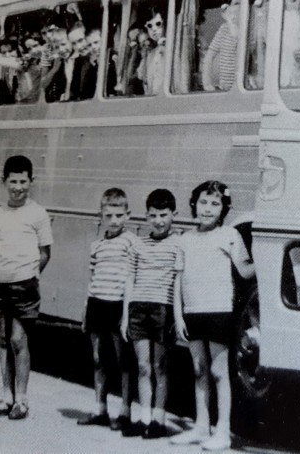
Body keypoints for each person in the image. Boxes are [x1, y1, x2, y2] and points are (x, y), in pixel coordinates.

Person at [171, 181, 255, 451]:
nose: (208, 209)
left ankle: (223, 432)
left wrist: (267, 256)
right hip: (192, 313)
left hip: (219, 312)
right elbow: (178, 280)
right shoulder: (184, 239)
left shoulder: (230, 235)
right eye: (204, 202)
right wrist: (178, 315)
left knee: (219, 372)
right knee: (198, 371)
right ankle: (200, 426)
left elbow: (245, 271)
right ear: (194, 204)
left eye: (215, 204)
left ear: (224, 209)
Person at [0, 155, 53, 421]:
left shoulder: (38, 214)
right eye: (13, 181)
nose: (18, 187)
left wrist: (31, 274)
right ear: (4, 182)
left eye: (23, 181)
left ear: (31, 182)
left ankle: (22, 400)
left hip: (24, 284)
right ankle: (6, 398)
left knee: (17, 340)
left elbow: (45, 252)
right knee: (2, 340)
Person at [120, 188, 184, 439]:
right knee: (143, 366)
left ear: (174, 215)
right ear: (146, 216)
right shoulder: (138, 244)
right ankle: (144, 417)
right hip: (138, 308)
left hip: (163, 309)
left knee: (160, 365)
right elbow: (129, 280)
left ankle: (159, 419)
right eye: (153, 215)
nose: (158, 221)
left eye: (164, 215)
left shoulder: (179, 243)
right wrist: (126, 316)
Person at [78, 188, 136, 431]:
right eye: (109, 215)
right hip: (97, 304)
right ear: (100, 215)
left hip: (118, 305)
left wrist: (127, 312)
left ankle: (124, 412)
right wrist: (85, 309)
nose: (113, 220)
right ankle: (100, 409)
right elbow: (92, 279)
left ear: (127, 215)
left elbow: (132, 278)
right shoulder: (97, 245)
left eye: (119, 215)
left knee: (124, 360)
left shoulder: (131, 242)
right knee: (99, 359)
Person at [201, 0, 241, 92]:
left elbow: (239, 41)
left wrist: (232, 23)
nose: (239, 6)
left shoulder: (249, 27)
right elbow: (209, 56)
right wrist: (207, 83)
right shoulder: (224, 28)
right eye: (236, 3)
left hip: (242, 88)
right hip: (225, 89)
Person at [137, 11, 166, 96]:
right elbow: (141, 75)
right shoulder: (151, 54)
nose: (154, 29)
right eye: (150, 26)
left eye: (158, 24)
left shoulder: (172, 48)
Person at [70, 28, 100, 101]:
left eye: (80, 40)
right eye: (74, 43)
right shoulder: (78, 62)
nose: (78, 47)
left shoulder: (110, 58)